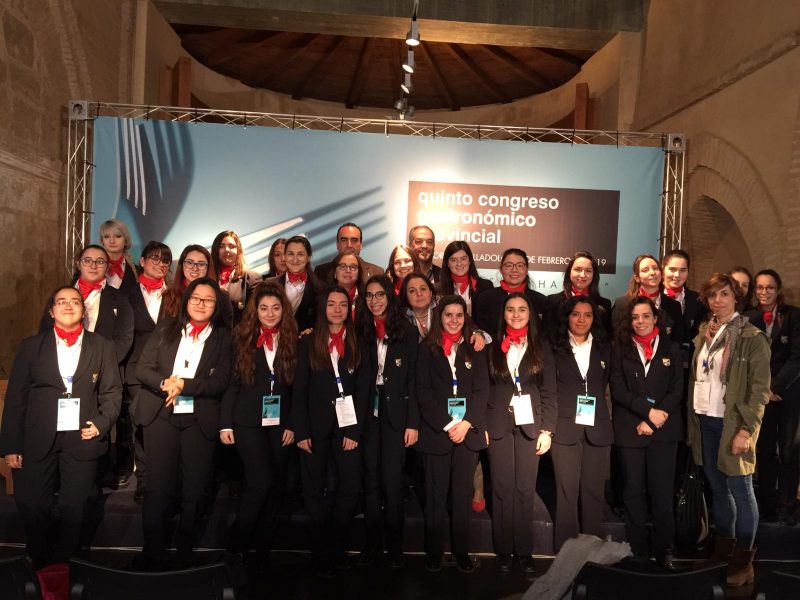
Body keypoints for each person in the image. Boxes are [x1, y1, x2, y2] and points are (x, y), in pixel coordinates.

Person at [1, 286, 122, 568]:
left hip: (83, 434)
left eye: (75, 301)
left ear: (84, 310)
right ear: (52, 311)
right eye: (62, 302)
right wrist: (11, 446)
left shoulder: (102, 346)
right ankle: (39, 557)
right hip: (36, 436)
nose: (68, 306)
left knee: (76, 505)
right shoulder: (30, 347)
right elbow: (16, 398)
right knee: (32, 503)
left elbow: (112, 392)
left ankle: (68, 561)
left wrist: (101, 424)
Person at [133, 278, 233, 570]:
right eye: (196, 298)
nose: (201, 304)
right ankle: (153, 554)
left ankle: (184, 555)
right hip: (161, 411)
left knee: (195, 490)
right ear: (187, 300)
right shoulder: (166, 327)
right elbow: (143, 368)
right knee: (157, 488)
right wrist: (167, 383)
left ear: (217, 306)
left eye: (208, 300)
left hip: (199, 418)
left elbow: (220, 380)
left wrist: (184, 385)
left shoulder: (224, 337)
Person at [687, 273, 770, 587]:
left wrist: (746, 431)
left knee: (742, 492)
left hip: (733, 424)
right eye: (712, 295)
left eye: (724, 294)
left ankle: (744, 562)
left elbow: (759, 391)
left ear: (736, 297)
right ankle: (724, 553)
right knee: (719, 490)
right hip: (705, 420)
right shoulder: (704, 333)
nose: (717, 301)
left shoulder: (752, 337)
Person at [291, 287, 369, 577]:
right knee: (313, 490)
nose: (337, 309)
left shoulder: (360, 341)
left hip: (348, 427)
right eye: (332, 304)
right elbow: (299, 389)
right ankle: (319, 552)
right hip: (314, 427)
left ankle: (337, 548)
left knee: (349, 488)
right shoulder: (308, 341)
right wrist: (301, 430)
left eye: (343, 304)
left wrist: (355, 431)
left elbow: (364, 390)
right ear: (323, 308)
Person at [221, 282, 298, 570]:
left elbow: (297, 389)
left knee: (276, 485)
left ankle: (262, 550)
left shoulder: (293, 338)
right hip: (247, 420)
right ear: (255, 310)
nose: (270, 313)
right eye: (264, 308)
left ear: (283, 310)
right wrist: (225, 424)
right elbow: (232, 385)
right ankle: (235, 548)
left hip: (281, 422)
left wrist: (293, 423)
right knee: (259, 482)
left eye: (276, 308)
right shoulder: (241, 337)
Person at [416, 295, 489, 574]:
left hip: (467, 433)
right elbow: (424, 393)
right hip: (438, 434)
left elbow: (482, 391)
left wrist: (466, 423)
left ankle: (461, 552)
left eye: (459, 315)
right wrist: (449, 425)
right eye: (449, 315)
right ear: (440, 317)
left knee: (462, 495)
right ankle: (434, 552)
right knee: (435, 496)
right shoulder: (426, 349)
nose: (454, 320)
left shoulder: (475, 347)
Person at [610, 296, 683, 569]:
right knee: (632, 492)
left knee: (662, 493)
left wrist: (653, 419)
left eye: (645, 316)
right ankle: (637, 551)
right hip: (630, 428)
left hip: (664, 430)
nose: (640, 321)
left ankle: (664, 551)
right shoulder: (619, 348)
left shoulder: (672, 348)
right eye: (635, 317)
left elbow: (677, 389)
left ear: (655, 318)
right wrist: (647, 412)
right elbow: (618, 389)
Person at [486, 293, 556, 573]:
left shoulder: (541, 347)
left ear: (531, 315)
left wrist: (547, 430)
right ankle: (504, 550)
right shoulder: (491, 347)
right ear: (503, 314)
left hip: (531, 424)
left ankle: (524, 551)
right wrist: (484, 427)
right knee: (501, 488)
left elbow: (549, 391)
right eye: (510, 310)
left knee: (525, 488)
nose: (516, 314)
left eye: (522, 309)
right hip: (498, 425)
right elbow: (484, 390)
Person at [356, 275, 419, 567]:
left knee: (392, 482)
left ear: (389, 297)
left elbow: (414, 380)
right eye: (369, 296)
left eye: (380, 294)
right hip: (367, 413)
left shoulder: (407, 330)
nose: (375, 301)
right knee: (370, 480)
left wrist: (412, 423)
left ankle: (394, 547)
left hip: (396, 414)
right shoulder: (360, 329)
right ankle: (371, 544)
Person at [550, 296, 613, 551]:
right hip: (564, 427)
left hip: (597, 427)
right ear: (567, 317)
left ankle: (590, 549)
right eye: (576, 314)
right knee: (566, 491)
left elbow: (604, 383)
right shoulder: (554, 347)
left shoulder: (605, 348)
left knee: (594, 491)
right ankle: (566, 549)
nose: (581, 320)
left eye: (587, 315)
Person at [746, 270, 800, 525]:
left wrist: (775, 387)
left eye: (769, 287)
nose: (764, 292)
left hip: (789, 392)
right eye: (759, 287)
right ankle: (766, 505)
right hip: (760, 394)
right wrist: (763, 389)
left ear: (777, 290)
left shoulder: (794, 316)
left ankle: (787, 505)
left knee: (789, 451)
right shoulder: (748, 318)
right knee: (764, 450)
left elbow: (797, 357)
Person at [125, 241, 173, 501]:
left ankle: (165, 479)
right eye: (154, 258)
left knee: (166, 425)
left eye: (165, 260)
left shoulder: (175, 293)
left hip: (168, 371)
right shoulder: (126, 293)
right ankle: (144, 480)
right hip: (136, 370)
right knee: (142, 424)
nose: (160, 264)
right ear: (142, 261)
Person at [39, 245, 134, 370]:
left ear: (107, 266)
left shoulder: (120, 299)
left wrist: (99, 365)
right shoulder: (60, 295)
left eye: (100, 262)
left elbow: (123, 341)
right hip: (60, 366)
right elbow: (45, 331)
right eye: (87, 260)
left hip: (102, 369)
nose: (93, 266)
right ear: (79, 264)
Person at [612, 253, 684, 343]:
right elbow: (614, 337)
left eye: (655, 268)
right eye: (645, 270)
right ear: (637, 278)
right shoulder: (622, 304)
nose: (652, 273)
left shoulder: (674, 306)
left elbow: (678, 341)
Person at [473, 247, 547, 333]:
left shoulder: (541, 300)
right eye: (509, 265)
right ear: (501, 269)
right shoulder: (486, 298)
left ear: (526, 270)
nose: (514, 270)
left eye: (520, 266)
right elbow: (482, 332)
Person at [161, 244, 234, 327]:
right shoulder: (169, 295)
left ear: (208, 268)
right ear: (182, 266)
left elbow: (227, 331)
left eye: (201, 264)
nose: (195, 268)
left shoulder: (222, 296)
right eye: (189, 263)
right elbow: (161, 330)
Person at [544, 251, 612, 336]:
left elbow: (606, 338)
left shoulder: (604, 304)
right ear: (569, 272)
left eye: (588, 271)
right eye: (577, 269)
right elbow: (545, 335)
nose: (582, 275)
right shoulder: (552, 302)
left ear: (594, 275)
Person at [265, 235, 322, 332]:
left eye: (300, 254)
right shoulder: (269, 284)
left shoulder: (319, 288)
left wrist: (311, 331)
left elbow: (320, 322)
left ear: (308, 257)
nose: (295, 260)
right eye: (290, 254)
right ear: (285, 256)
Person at [210, 230, 262, 323]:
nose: (227, 250)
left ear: (239, 251)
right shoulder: (206, 277)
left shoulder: (253, 278)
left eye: (232, 246)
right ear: (215, 250)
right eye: (221, 246)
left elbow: (251, 317)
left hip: (237, 331)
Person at [662, 249, 706, 348]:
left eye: (683, 270)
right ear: (663, 269)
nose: (677, 275)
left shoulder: (697, 300)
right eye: (672, 269)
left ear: (688, 272)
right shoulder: (654, 297)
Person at [313, 223, 384, 284]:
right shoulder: (320, 272)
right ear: (337, 244)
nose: (349, 245)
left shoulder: (377, 272)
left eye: (354, 240)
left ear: (361, 244)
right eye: (344, 240)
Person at [436, 241, 493, 317]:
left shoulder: (485, 286)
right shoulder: (438, 289)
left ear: (469, 261)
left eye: (463, 259)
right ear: (447, 263)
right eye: (453, 260)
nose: (459, 264)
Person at [100, 218, 138, 295]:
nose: (112, 241)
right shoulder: (89, 267)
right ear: (102, 241)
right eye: (107, 236)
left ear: (126, 240)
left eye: (117, 236)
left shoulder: (136, 271)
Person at [329, 252, 363, 318]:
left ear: (358, 274)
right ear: (334, 272)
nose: (348, 271)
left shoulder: (367, 299)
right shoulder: (323, 298)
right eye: (342, 266)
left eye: (353, 267)